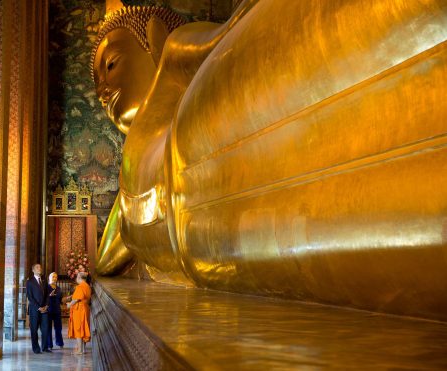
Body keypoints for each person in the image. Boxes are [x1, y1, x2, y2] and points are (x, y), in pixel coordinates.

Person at [91, 1, 447, 320]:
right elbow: (106, 260)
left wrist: (234, 28)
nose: (104, 90)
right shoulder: (129, 176)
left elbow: (211, 42)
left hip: (196, 141)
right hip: (198, 237)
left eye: (111, 65)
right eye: (97, 86)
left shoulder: (171, 58)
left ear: (152, 40)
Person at [26, 263, 50, 354]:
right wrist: (39, 307)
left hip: (45, 309)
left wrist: (46, 305)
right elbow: (30, 296)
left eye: (40, 267)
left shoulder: (44, 280)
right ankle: (36, 348)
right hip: (35, 310)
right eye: (37, 267)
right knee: (34, 329)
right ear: (33, 270)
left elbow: (47, 294)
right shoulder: (30, 281)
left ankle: (44, 347)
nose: (39, 268)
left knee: (45, 329)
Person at [66, 272, 91, 355]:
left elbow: (76, 299)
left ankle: (80, 350)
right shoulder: (87, 286)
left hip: (79, 309)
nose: (76, 278)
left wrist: (69, 304)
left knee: (78, 329)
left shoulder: (80, 286)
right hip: (85, 308)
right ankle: (83, 349)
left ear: (79, 277)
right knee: (83, 328)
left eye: (77, 277)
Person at [46, 272, 64, 349]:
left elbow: (60, 300)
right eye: (53, 277)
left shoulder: (59, 288)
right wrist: (49, 296)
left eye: (56, 277)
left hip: (57, 310)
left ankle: (59, 343)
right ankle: (49, 345)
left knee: (58, 328)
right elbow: (42, 299)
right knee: (48, 328)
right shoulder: (46, 288)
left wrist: (66, 300)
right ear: (49, 278)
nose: (54, 278)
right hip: (48, 310)